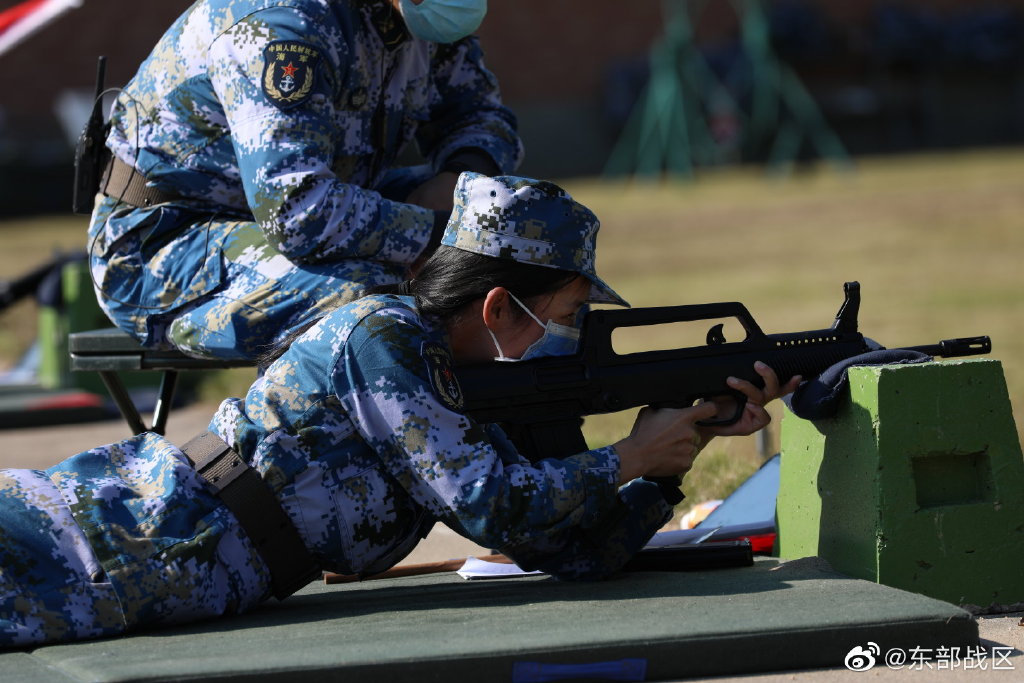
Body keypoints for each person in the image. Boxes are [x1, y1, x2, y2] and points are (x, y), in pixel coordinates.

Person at [2, 174, 798, 648]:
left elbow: (572, 552)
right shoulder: (382, 336)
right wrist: (627, 456)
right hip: (113, 529)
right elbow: (493, 507)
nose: (572, 336)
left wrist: (676, 451)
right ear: (496, 306)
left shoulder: (466, 392)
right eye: (566, 312)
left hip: (184, 569)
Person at [88, 0, 520, 361]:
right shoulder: (282, 23)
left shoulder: (420, 16)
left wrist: (457, 179)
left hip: (321, 212)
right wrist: (439, 235)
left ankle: (516, 440)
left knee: (523, 222)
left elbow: (480, 115)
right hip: (163, 248)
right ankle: (306, 452)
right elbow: (298, 212)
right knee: (375, 301)